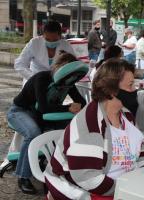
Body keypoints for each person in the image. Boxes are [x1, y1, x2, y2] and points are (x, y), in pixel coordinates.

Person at [44, 59, 144, 200]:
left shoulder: (126, 115)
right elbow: (88, 179)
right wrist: (126, 190)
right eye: (130, 85)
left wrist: (143, 174)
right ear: (112, 90)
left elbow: (140, 150)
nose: (134, 90)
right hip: (81, 189)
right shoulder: (90, 125)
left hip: (122, 185)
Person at [7, 52, 86, 195]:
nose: (70, 79)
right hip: (19, 111)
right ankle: (23, 176)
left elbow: (82, 101)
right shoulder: (42, 78)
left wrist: (77, 105)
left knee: (71, 130)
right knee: (33, 133)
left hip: (39, 116)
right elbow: (43, 108)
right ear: (59, 68)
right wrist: (68, 107)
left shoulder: (67, 82)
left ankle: (62, 169)